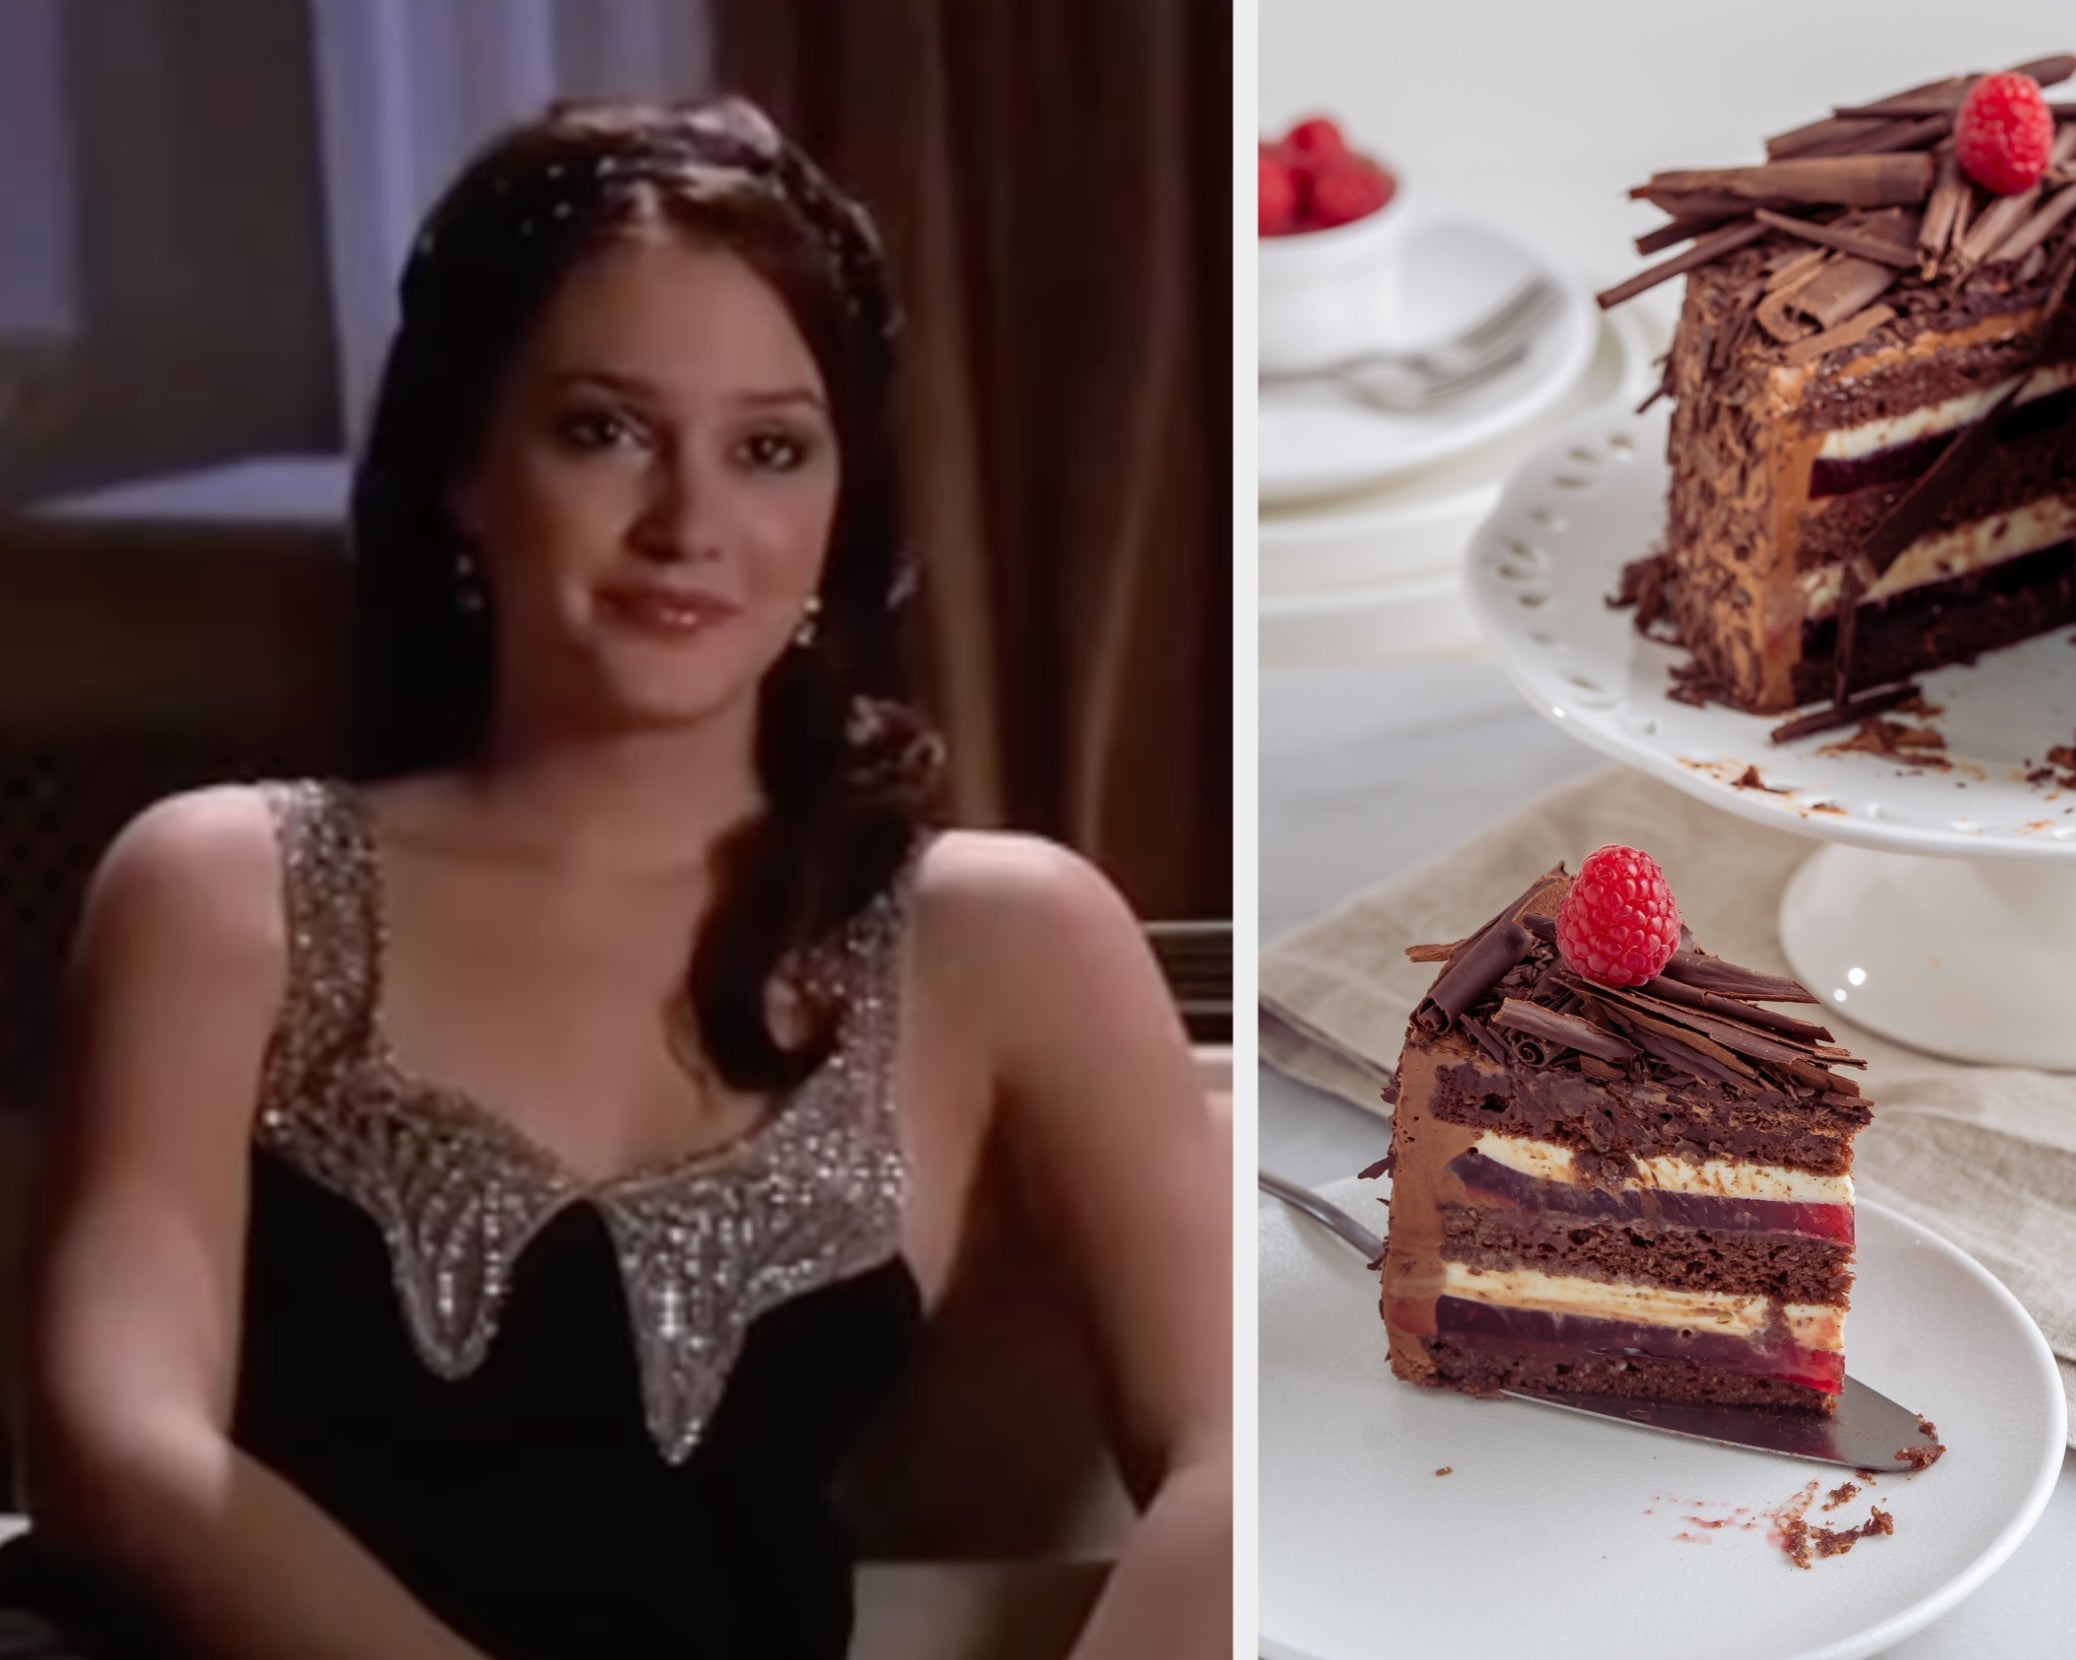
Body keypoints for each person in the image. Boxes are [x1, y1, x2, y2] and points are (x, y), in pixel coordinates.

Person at [0, 96, 1229, 1660]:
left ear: (838, 504)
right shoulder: (219, 889)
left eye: (769, 449)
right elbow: (120, 1451)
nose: (690, 523)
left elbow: (1237, 1453)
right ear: (461, 468)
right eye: (602, 430)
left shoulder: (1005, 939)